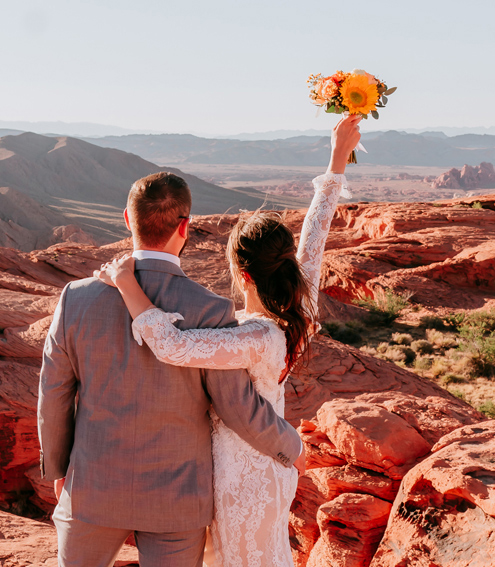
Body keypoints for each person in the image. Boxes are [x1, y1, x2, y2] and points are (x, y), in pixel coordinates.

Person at [94, 114, 362, 567]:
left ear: (241, 274)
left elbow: (173, 345)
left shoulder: (252, 337)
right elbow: (314, 237)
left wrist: (126, 283)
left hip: (242, 477)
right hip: (265, 470)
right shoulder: (296, 313)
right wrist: (335, 163)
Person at [38, 170, 306, 567]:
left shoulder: (76, 298)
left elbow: (55, 391)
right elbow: (237, 407)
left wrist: (60, 468)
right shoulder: (211, 310)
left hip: (93, 487)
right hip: (177, 499)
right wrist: (290, 446)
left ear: (128, 220)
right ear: (185, 227)